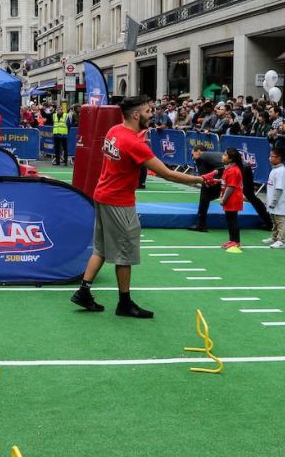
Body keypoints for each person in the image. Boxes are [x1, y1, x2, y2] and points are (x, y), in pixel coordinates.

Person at [70, 97, 207, 318]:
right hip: (119, 202)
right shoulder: (134, 143)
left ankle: (84, 291)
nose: (152, 114)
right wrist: (200, 180)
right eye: (148, 111)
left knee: (101, 249)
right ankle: (124, 303)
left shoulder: (114, 130)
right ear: (136, 115)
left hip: (102, 195)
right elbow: (167, 174)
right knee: (125, 254)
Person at [186, 147, 226, 233]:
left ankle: (201, 225)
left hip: (224, 171)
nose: (192, 157)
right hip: (236, 168)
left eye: (192, 154)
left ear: (199, 151)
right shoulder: (212, 155)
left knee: (205, 191)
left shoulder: (201, 157)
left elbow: (204, 177)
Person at [264, 147, 285, 248]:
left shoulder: (281, 172)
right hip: (272, 202)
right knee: (274, 221)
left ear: (279, 158)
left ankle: (281, 241)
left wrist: (274, 201)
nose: (269, 158)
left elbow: (279, 189)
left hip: (278, 202)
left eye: (272, 157)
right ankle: (274, 237)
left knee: (280, 222)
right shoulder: (275, 170)